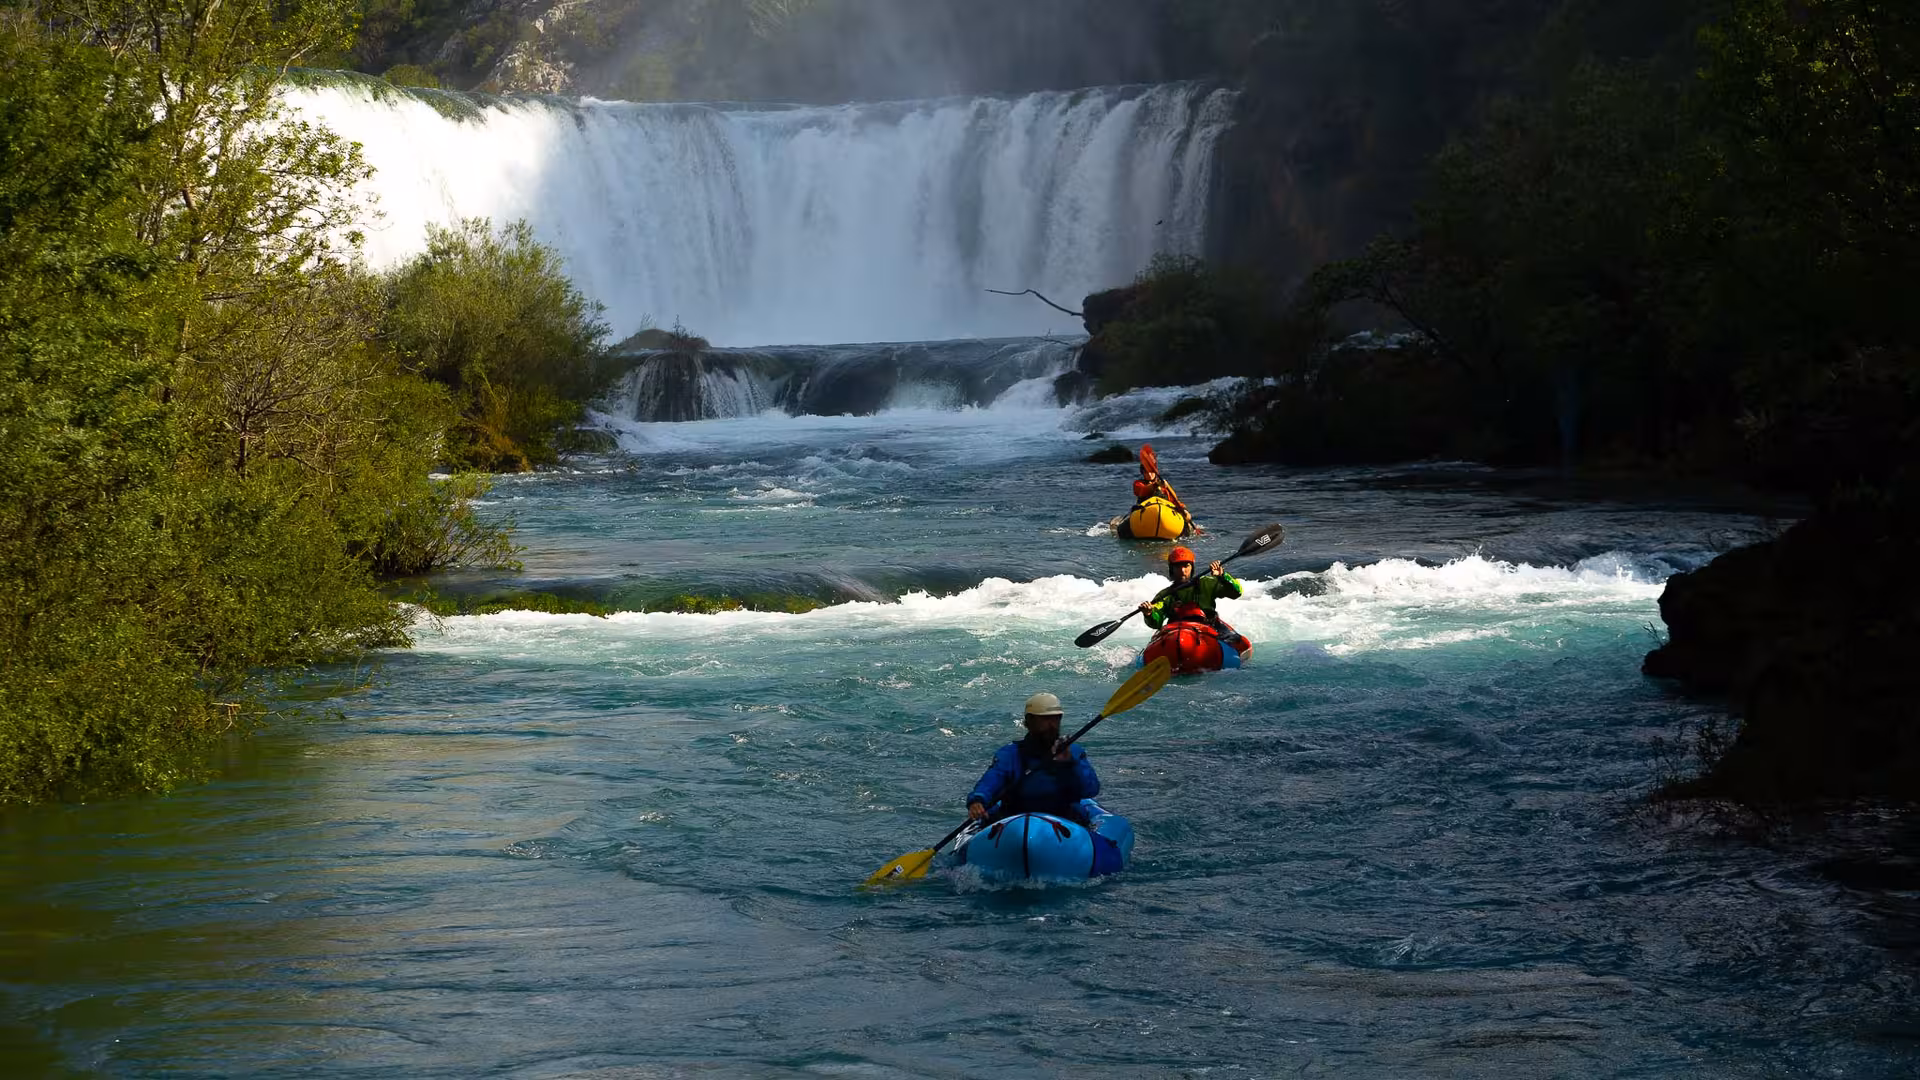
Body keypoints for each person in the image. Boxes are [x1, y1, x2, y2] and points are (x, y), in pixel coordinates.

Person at [966, 692, 1100, 825]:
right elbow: (992, 779)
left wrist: (1070, 764)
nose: (1052, 725)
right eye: (1046, 719)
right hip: (1016, 819)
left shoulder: (1074, 753)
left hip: (1063, 819)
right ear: (1029, 721)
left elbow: (1091, 790)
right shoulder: (1011, 754)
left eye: (1056, 719)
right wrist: (977, 800)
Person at [1139, 545, 1250, 654]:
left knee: (1242, 645)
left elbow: (1236, 593)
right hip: (1177, 631)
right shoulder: (1165, 595)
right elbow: (1156, 623)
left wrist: (1222, 576)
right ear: (1171, 569)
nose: (1182, 570)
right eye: (1178, 567)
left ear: (1192, 567)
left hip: (1209, 626)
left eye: (1186, 566)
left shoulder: (1207, 583)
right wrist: (1149, 614)